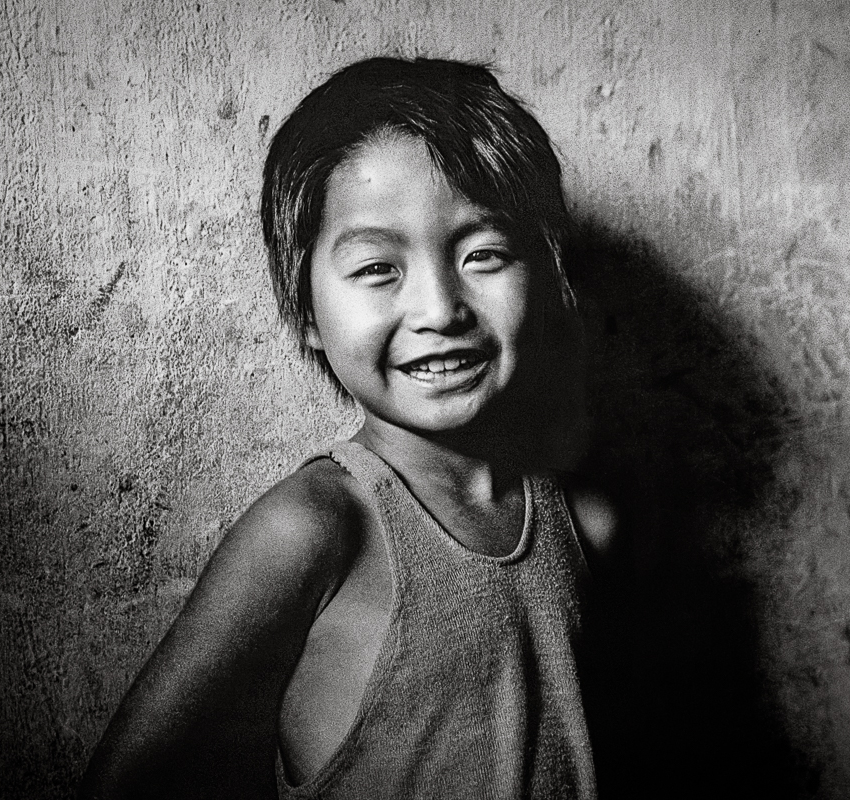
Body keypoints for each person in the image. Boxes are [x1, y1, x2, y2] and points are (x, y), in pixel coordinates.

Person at [79, 56, 618, 800]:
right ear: (306, 315)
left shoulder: (587, 525)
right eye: (377, 269)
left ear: (551, 281)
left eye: (484, 255)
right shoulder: (314, 529)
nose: (439, 308)